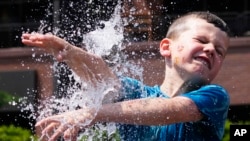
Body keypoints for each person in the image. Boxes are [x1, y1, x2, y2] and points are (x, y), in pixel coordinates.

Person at [21, 11, 231, 141]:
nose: (211, 49)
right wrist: (70, 53)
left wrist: (89, 114)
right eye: (201, 40)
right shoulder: (137, 92)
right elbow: (103, 79)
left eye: (220, 51)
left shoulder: (214, 96)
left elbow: (173, 109)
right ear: (167, 47)